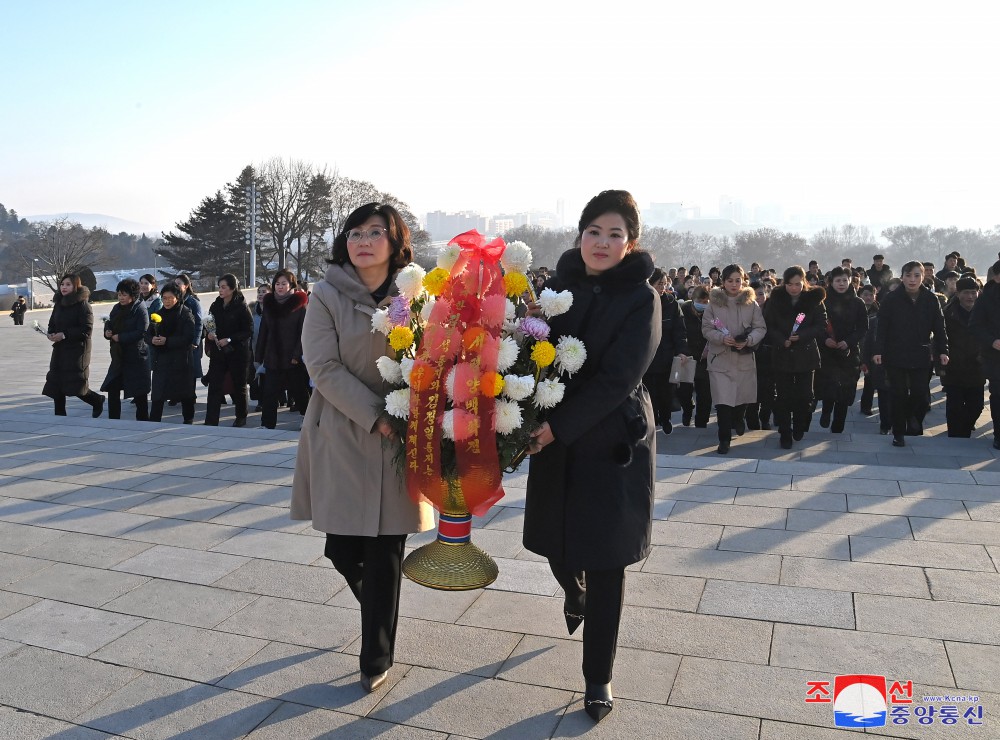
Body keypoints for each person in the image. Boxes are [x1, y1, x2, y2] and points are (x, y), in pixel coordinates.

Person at [523, 190, 660, 723]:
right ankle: (571, 590)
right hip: (554, 437)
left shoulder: (641, 299)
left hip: (611, 442)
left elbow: (617, 379)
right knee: (560, 548)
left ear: (631, 243)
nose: (602, 243)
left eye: (615, 235)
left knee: (607, 562)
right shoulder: (558, 287)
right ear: (580, 235)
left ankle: (597, 676)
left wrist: (556, 427)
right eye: (593, 232)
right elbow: (533, 351)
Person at [291, 202, 434, 695]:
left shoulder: (416, 294)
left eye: (376, 232)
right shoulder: (326, 295)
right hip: (343, 431)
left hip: (403, 433)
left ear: (396, 243)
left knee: (387, 548)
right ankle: (377, 605)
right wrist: (376, 414)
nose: (364, 240)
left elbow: (437, 354)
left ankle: (376, 654)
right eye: (355, 232)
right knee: (342, 545)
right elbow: (323, 367)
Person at [873, 261, 949, 447]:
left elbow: (939, 327)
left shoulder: (931, 299)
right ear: (902, 277)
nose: (912, 279)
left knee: (920, 394)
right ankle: (898, 433)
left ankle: (911, 416)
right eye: (908, 275)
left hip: (921, 353)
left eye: (916, 275)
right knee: (898, 394)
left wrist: (943, 350)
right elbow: (881, 327)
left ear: (923, 277)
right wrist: (878, 350)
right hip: (895, 354)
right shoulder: (892, 299)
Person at [702, 264, 766, 454]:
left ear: (743, 281)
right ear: (723, 282)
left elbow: (760, 328)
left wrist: (748, 340)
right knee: (723, 402)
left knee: (742, 398)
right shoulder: (714, 303)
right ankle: (724, 439)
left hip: (744, 358)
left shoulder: (751, 303)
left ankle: (740, 418)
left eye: (738, 280)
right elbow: (706, 328)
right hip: (720, 358)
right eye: (730, 280)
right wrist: (722, 338)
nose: (734, 284)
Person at [762, 265, 827, 449]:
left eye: (798, 284)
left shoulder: (814, 299)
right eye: (790, 284)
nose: (794, 288)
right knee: (783, 396)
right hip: (782, 354)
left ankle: (799, 423)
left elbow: (821, 325)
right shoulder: (776, 299)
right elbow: (769, 325)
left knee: (806, 396)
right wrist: (782, 340)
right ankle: (785, 431)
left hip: (806, 355)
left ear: (804, 282)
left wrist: (802, 336)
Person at [42, 274, 105, 417]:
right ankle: (60, 417)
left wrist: (64, 334)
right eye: (62, 284)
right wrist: (51, 333)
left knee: (75, 385)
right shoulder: (59, 303)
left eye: (68, 284)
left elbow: (86, 330)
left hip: (77, 351)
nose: (64, 287)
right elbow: (52, 323)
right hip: (60, 350)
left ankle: (96, 400)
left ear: (76, 286)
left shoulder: (83, 305)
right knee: (56, 383)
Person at [256, 270, 310, 429]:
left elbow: (304, 333)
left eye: (284, 284)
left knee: (299, 390)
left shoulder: (300, 305)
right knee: (269, 392)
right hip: (272, 355)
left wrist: (297, 354)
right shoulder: (269, 303)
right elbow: (264, 331)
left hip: (292, 357)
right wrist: (259, 356)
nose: (280, 287)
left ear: (291, 285)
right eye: (277, 284)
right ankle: (267, 424)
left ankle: (306, 418)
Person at [816, 267, 868, 433]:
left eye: (845, 280)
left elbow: (862, 328)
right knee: (829, 386)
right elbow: (816, 325)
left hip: (849, 352)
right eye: (838, 280)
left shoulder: (857, 302)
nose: (841, 284)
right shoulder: (823, 301)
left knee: (845, 390)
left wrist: (848, 341)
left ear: (850, 281)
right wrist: (825, 339)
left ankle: (839, 422)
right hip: (828, 352)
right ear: (831, 282)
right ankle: (826, 411)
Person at [642, 268, 688, 434]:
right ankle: (652, 420)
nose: (662, 287)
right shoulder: (643, 302)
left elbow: (679, 331)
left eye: (664, 283)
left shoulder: (671, 303)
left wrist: (682, 351)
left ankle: (666, 418)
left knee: (667, 391)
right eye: (658, 284)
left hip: (667, 355)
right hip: (647, 357)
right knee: (649, 392)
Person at [203, 274, 253, 427]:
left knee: (239, 385)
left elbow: (248, 330)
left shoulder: (241, 306)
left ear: (232, 288)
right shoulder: (215, 305)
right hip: (218, 352)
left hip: (237, 352)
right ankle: (211, 420)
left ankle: (241, 416)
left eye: (224, 287)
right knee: (214, 386)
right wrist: (209, 334)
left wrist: (230, 339)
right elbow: (209, 324)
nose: (220, 290)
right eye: (219, 287)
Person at [100, 278, 151, 421]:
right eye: (119, 294)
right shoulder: (116, 308)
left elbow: (142, 331)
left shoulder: (140, 309)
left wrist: (120, 337)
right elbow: (110, 323)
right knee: (113, 387)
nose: (121, 298)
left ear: (133, 295)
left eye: (124, 295)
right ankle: (113, 419)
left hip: (136, 356)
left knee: (139, 391)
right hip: (119, 356)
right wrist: (107, 332)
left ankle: (143, 420)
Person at [146, 283, 196, 423]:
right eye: (164, 298)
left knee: (185, 394)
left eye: (170, 298)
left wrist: (167, 341)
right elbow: (147, 334)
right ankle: (154, 421)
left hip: (181, 362)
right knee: (158, 393)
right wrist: (152, 340)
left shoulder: (186, 314)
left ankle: (188, 420)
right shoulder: (158, 314)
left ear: (178, 298)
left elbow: (188, 338)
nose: (166, 301)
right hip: (162, 361)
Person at [941, 277, 984, 437]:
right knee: (954, 407)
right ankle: (955, 436)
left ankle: (964, 430)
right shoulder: (947, 314)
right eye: (966, 293)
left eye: (974, 292)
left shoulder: (984, 314)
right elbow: (940, 339)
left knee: (977, 406)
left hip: (977, 368)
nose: (970, 297)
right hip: (954, 368)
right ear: (958, 294)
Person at [968, 261, 1000, 448]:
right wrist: (992, 341)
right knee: (998, 394)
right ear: (996, 277)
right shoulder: (986, 298)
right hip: (995, 356)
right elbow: (975, 326)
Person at [745, 280, 774, 430]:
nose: (759, 297)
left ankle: (765, 418)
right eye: (755, 294)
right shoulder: (744, 310)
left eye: (761, 293)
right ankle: (752, 418)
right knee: (751, 388)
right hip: (749, 355)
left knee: (768, 390)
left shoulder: (774, 310)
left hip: (770, 355)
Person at [173, 274, 204, 405]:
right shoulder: (174, 300)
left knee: (190, 370)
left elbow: (199, 323)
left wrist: (195, 342)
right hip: (178, 341)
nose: (176, 286)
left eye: (178, 284)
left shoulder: (192, 302)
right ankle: (177, 394)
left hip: (191, 342)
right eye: (174, 284)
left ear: (186, 286)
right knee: (177, 369)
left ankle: (191, 395)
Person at [250, 283, 270, 411]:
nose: (261, 294)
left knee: (268, 376)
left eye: (264, 292)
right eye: (259, 292)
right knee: (260, 376)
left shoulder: (274, 310)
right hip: (255, 349)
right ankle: (261, 401)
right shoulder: (252, 311)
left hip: (271, 349)